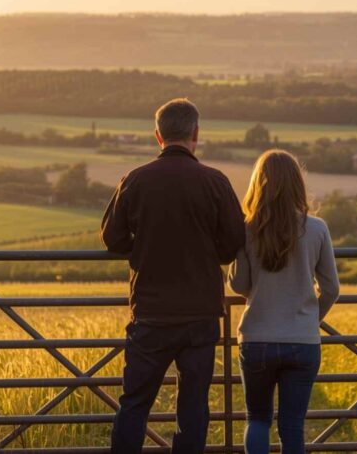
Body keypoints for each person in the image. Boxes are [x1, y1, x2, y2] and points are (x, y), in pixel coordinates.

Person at [101, 98, 245, 454]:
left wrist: (145, 244)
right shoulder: (215, 181)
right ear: (196, 133)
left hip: (150, 312)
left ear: (157, 136)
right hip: (200, 314)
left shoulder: (135, 180)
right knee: (193, 406)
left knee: (134, 403)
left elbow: (112, 238)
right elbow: (231, 246)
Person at [227, 149, 340, 454]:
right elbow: (331, 288)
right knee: (292, 425)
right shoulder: (317, 228)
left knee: (258, 418)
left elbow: (240, 285)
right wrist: (309, 321)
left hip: (257, 338)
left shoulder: (247, 228)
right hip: (302, 341)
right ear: (297, 184)